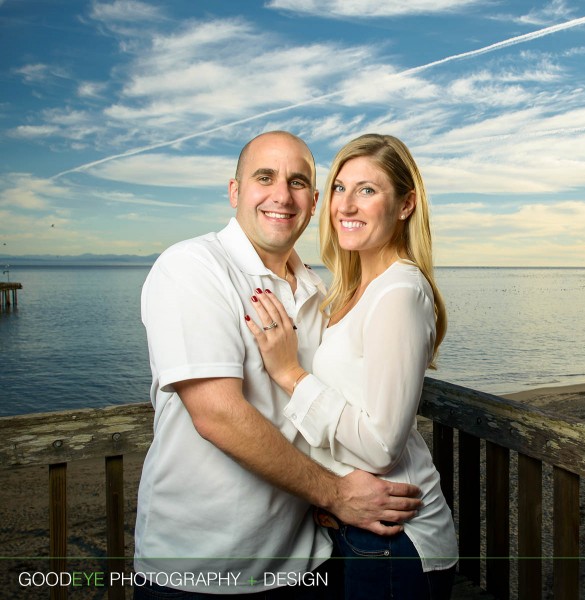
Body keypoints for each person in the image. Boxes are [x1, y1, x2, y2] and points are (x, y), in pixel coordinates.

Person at [135, 131, 422, 599]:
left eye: (299, 181)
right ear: (235, 191)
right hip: (201, 568)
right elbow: (216, 414)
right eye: (264, 177)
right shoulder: (193, 266)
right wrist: (336, 494)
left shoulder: (316, 289)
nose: (281, 196)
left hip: (306, 561)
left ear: (312, 201)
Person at [244, 134, 458, 599]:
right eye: (340, 188)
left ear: (405, 204)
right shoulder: (348, 292)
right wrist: (329, 489)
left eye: (367, 190)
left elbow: (381, 446)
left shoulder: (399, 293)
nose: (347, 205)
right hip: (356, 529)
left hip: (395, 539)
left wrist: (289, 374)